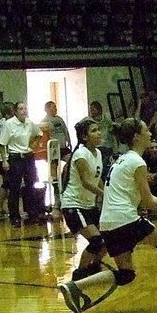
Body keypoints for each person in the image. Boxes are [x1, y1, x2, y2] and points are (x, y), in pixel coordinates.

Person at [58, 118, 157, 313]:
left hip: (108, 222)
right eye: (146, 131)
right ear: (136, 137)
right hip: (123, 219)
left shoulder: (122, 159)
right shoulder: (136, 161)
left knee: (126, 274)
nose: (150, 134)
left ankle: (76, 286)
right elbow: (148, 200)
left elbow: (130, 193)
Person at [60, 118, 106, 281]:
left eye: (98, 129)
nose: (99, 133)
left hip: (89, 205)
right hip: (74, 205)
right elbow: (86, 182)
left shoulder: (98, 153)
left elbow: (97, 178)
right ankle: (78, 276)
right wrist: (105, 196)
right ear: (84, 137)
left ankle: (94, 267)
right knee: (96, 240)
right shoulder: (80, 154)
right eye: (94, 130)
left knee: (108, 237)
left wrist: (107, 190)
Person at [0, 102, 45, 227]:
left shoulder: (29, 123)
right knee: (14, 188)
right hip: (15, 157)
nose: (24, 111)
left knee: (31, 186)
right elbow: (2, 144)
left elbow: (39, 133)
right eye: (21, 109)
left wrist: (34, 145)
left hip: (28, 157)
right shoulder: (9, 124)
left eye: (25, 108)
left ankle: (32, 214)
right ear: (15, 111)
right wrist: (4, 160)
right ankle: (15, 217)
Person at [0, 102, 15, 218]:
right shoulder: (8, 124)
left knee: (6, 182)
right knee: (7, 183)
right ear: (7, 113)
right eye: (12, 110)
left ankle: (2, 207)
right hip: (5, 156)